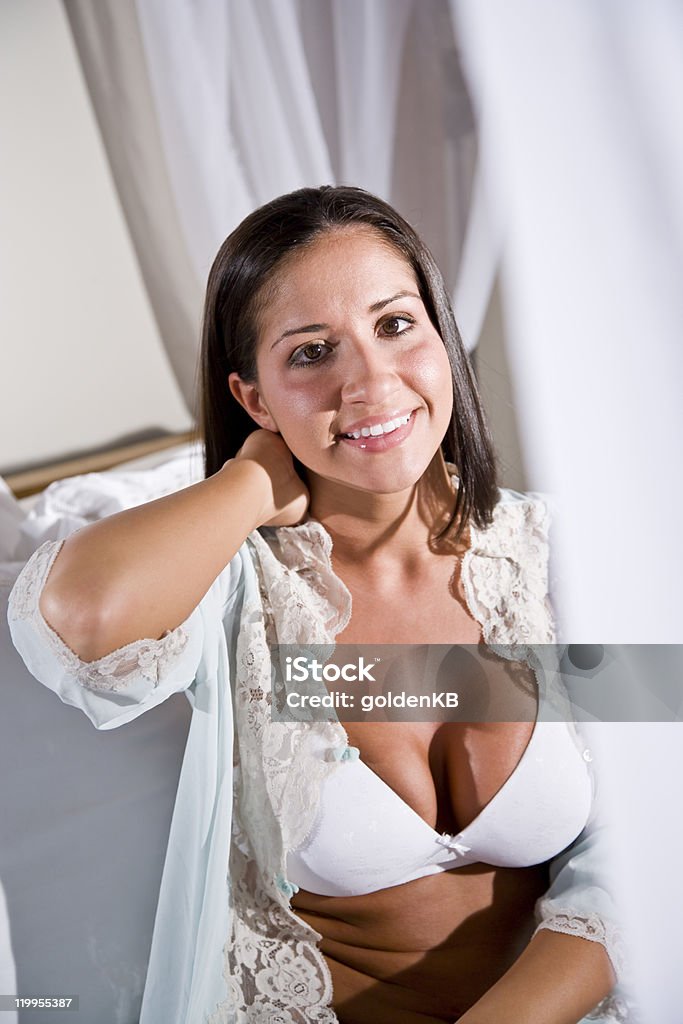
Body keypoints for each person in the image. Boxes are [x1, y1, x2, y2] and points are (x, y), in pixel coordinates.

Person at [8, 186, 628, 1023]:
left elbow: (650, 844)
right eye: (310, 353)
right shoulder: (240, 590)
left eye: (396, 325)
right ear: (255, 399)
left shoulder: (564, 560)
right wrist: (250, 479)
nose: (371, 382)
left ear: (442, 340)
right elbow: (77, 625)